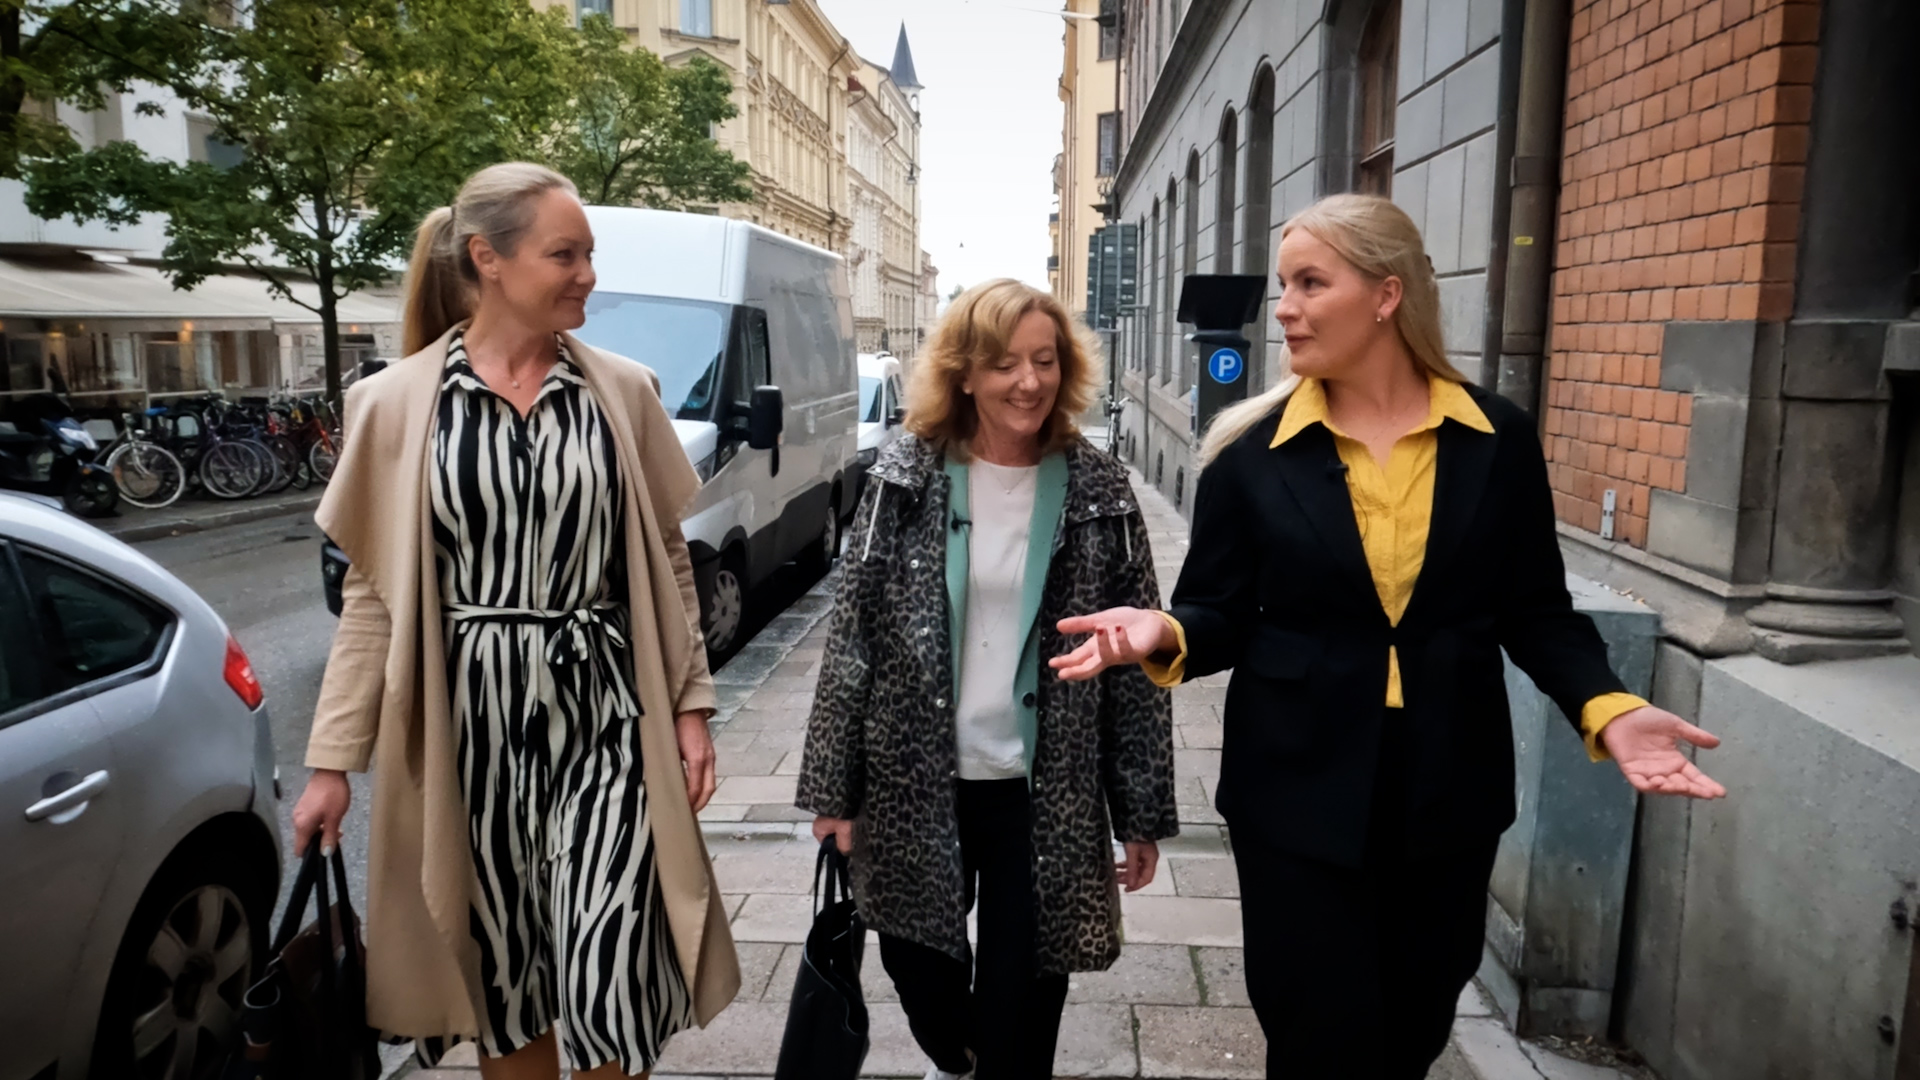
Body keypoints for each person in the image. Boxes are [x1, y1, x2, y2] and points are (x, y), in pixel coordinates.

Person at [1050, 193, 1726, 1079]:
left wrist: (1610, 707)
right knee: (1315, 1035)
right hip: (1295, 786)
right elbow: (1221, 614)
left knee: (1412, 1028)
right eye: (1285, 285)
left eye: (1310, 283)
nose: (1283, 308)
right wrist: (1164, 628)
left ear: (1386, 295)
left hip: (1449, 788)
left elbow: (1534, 610)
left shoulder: (1495, 438)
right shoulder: (1250, 452)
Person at [291, 162, 739, 1080]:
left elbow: (667, 567)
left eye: (589, 254)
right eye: (564, 254)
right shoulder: (395, 404)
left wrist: (690, 706)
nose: (587, 275)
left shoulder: (624, 391)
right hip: (468, 728)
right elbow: (372, 601)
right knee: (505, 983)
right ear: (487, 258)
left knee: (613, 971)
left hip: (605, 713)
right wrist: (332, 765)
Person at [799, 279, 1179, 1080]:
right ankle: (958, 1056)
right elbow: (853, 637)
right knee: (921, 977)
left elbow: (1135, 668)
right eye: (1005, 364)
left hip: (1042, 795)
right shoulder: (904, 477)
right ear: (965, 374)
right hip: (913, 782)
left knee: (1023, 1011)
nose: (1029, 382)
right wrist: (834, 791)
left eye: (1045, 360)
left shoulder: (1099, 488)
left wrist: (1140, 814)